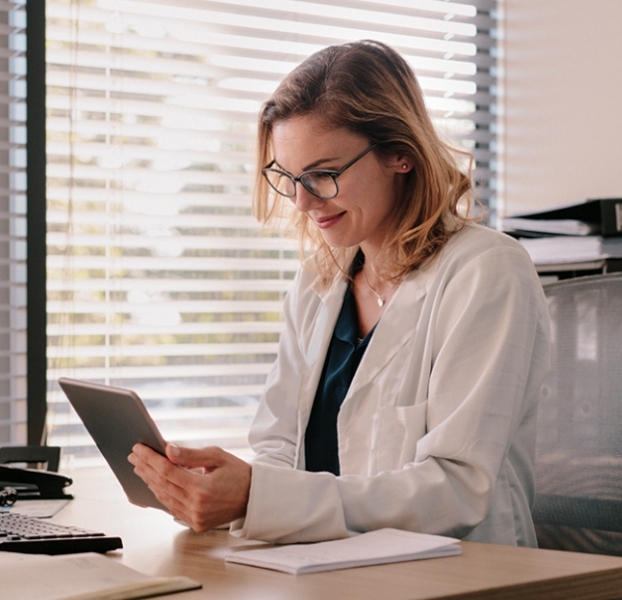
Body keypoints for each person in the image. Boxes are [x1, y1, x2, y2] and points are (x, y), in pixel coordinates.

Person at [128, 40, 552, 547]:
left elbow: (457, 490)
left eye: (323, 175)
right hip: (326, 568)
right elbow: (279, 449)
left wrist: (260, 499)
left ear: (401, 154)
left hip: (459, 572)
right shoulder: (319, 281)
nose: (303, 201)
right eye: (288, 177)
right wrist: (227, 493)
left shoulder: (486, 271)